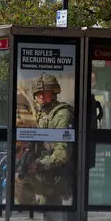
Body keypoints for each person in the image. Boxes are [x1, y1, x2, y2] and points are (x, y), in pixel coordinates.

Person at [15, 73, 75, 206]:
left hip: (59, 173)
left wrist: (38, 164)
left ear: (54, 93)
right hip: (47, 171)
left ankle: (39, 209)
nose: (41, 96)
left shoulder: (61, 114)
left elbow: (62, 154)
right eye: (38, 93)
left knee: (19, 183)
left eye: (46, 92)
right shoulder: (42, 113)